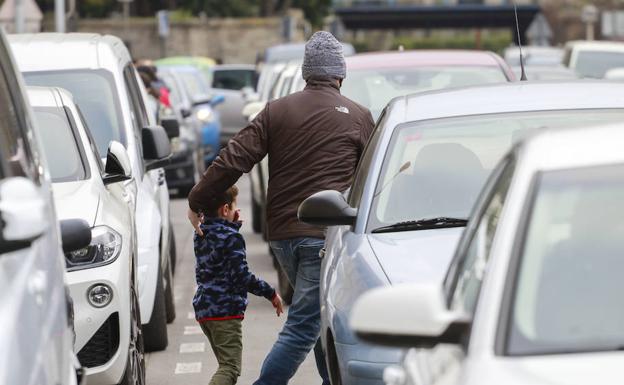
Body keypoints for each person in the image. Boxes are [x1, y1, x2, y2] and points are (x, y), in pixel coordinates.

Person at [187, 31, 375, 385]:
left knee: (318, 316)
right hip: (323, 239)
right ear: (341, 75)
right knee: (305, 324)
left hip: (283, 237)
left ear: (307, 73)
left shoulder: (276, 111)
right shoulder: (359, 116)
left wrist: (198, 199)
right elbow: (377, 179)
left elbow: (234, 158)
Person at [193, 185, 284, 385]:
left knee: (224, 365)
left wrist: (231, 225)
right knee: (230, 368)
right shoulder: (232, 238)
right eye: (234, 207)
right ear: (225, 210)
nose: (237, 211)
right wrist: (270, 293)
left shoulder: (200, 234)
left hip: (205, 310)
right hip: (224, 311)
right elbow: (242, 276)